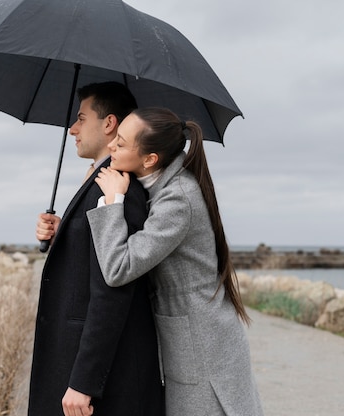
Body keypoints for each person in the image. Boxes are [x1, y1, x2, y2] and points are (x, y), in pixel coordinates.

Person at [86, 107, 264, 415]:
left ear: (150, 159)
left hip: (202, 348)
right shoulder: (161, 184)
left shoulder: (177, 199)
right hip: (193, 339)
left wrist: (112, 201)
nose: (111, 145)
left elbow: (119, 268)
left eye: (122, 142)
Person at [29, 83, 165, 416]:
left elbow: (113, 289)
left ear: (109, 124)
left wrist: (85, 382)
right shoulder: (100, 180)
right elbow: (90, 257)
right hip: (80, 365)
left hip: (100, 381)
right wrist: (61, 234)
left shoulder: (121, 189)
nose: (72, 129)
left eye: (80, 118)